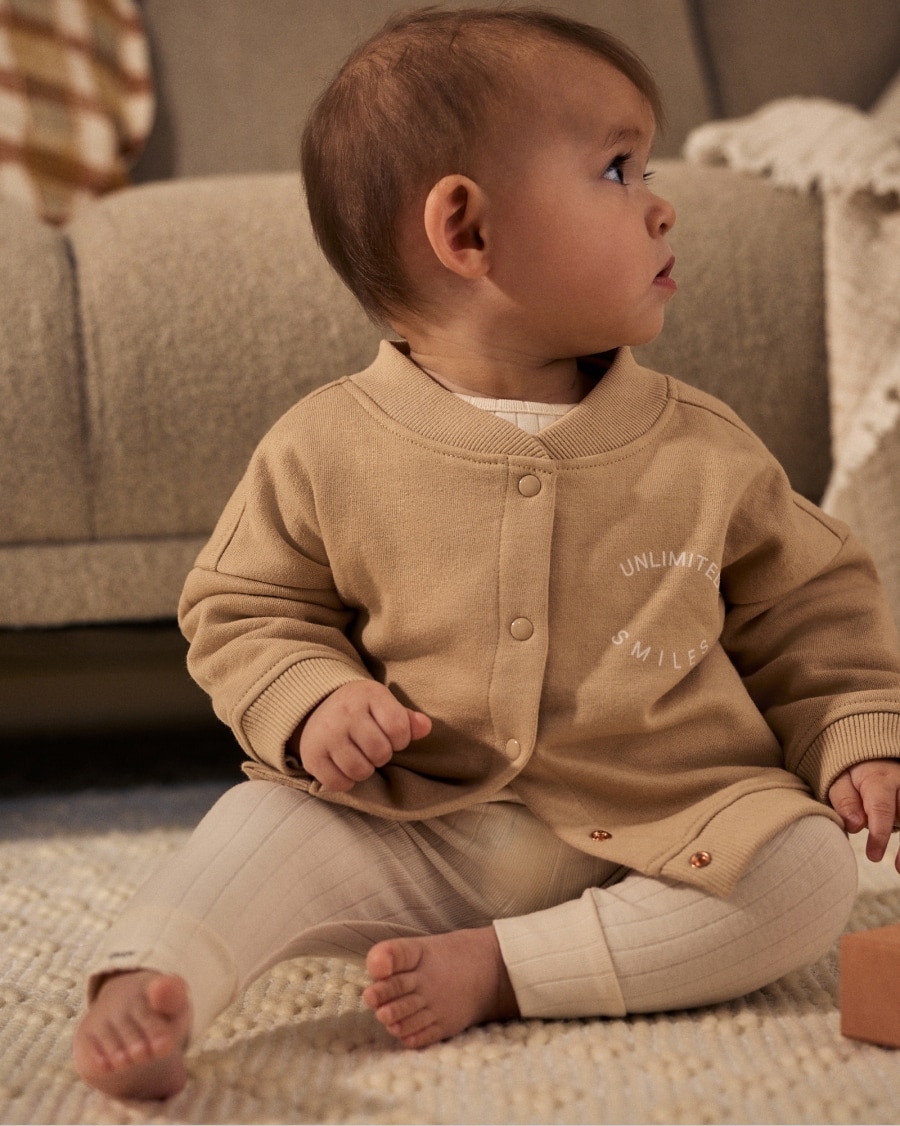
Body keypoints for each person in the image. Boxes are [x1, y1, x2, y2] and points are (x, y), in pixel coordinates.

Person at [73, 6, 900, 1101]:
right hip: (425, 824)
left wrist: (853, 734)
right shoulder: (325, 444)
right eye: (618, 169)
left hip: (666, 822)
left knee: (804, 873)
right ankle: (158, 974)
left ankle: (510, 970)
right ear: (466, 230)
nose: (663, 205)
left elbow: (809, 610)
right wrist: (314, 700)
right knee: (262, 822)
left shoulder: (705, 449)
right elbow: (244, 607)